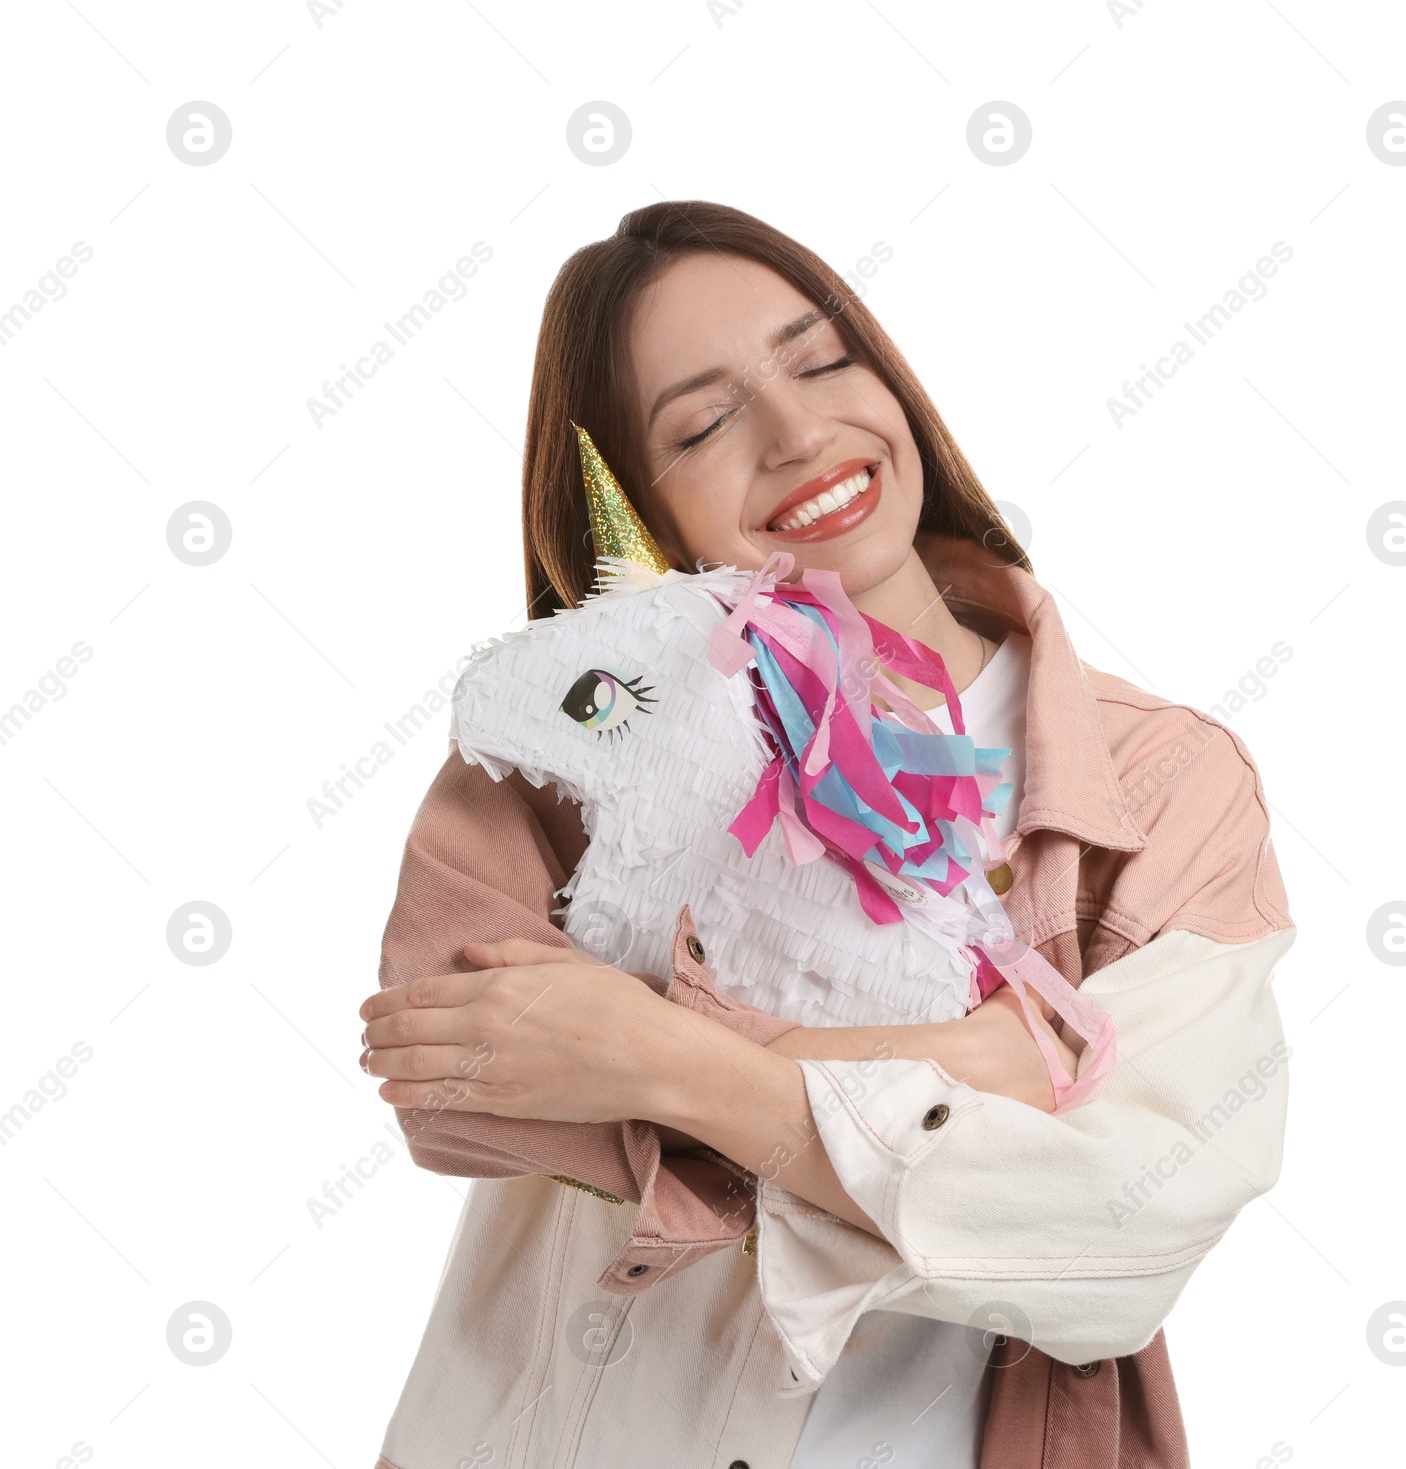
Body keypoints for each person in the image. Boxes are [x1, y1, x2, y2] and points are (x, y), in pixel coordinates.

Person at [358, 200, 1296, 1469]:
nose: (801, 435)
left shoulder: (1164, 781)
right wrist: (979, 1062)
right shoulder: (583, 739)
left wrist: (650, 1057)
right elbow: (450, 1083)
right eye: (703, 422)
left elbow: (1119, 1237)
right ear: (637, 507)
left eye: (820, 361)